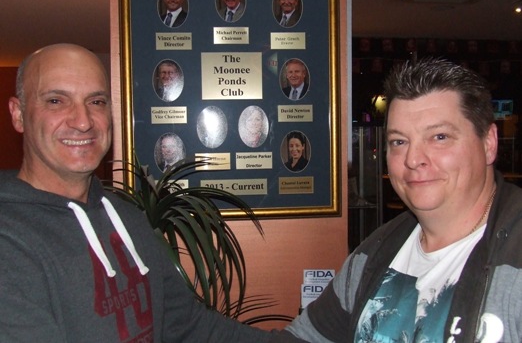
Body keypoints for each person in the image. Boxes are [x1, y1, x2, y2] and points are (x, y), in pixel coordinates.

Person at [0, 43, 275, 342]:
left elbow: (189, 327)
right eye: (56, 101)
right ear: (18, 114)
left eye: (96, 102)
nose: (83, 121)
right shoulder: (10, 241)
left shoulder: (128, 218)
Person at [270, 58, 522, 342]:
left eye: (439, 137)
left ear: (489, 143)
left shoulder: (514, 262)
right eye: (399, 142)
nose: (413, 159)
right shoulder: (374, 254)